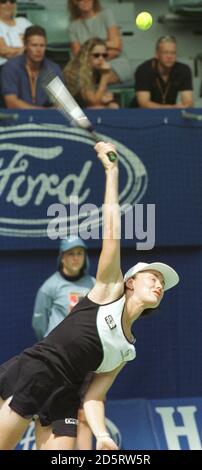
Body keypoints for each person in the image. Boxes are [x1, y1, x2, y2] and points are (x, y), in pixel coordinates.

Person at [0, 141, 179, 450]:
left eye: (162, 284)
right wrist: (112, 171)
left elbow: (94, 397)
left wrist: (104, 435)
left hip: (66, 393)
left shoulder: (126, 349)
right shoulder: (109, 289)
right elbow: (112, 227)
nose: (159, 285)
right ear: (131, 282)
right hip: (36, 371)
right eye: (153, 277)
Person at [32, 236, 95, 450]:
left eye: (80, 253)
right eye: (70, 253)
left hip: (86, 361)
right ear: (62, 258)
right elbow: (39, 323)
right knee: (50, 416)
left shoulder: (94, 284)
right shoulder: (49, 287)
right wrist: (55, 347)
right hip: (56, 362)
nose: (76, 258)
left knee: (85, 413)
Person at [67, 0, 133, 84]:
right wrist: (105, 44)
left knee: (101, 77)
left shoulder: (106, 14)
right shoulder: (73, 27)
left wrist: (91, 48)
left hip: (115, 63)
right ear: (74, 2)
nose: (85, 1)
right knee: (80, 78)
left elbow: (117, 46)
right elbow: (79, 56)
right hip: (88, 67)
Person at [1, 25, 63, 109]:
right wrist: (43, 112)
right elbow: (12, 103)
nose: (38, 50)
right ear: (25, 45)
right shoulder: (10, 68)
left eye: (42, 45)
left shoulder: (53, 69)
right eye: (34, 45)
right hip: (16, 118)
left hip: (46, 120)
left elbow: (60, 103)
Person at [132, 36, 193, 108]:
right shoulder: (144, 70)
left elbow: (188, 102)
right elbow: (144, 103)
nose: (169, 56)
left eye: (173, 53)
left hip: (170, 113)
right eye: (165, 52)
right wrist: (170, 108)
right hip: (142, 114)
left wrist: (179, 107)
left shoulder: (183, 70)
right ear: (157, 55)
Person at [63, 37, 119, 109]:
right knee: (98, 108)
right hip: (70, 109)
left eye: (104, 55)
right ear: (86, 55)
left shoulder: (97, 70)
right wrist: (105, 75)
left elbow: (101, 96)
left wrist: (106, 98)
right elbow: (94, 101)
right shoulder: (77, 72)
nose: (101, 58)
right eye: (96, 55)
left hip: (86, 107)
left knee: (114, 106)